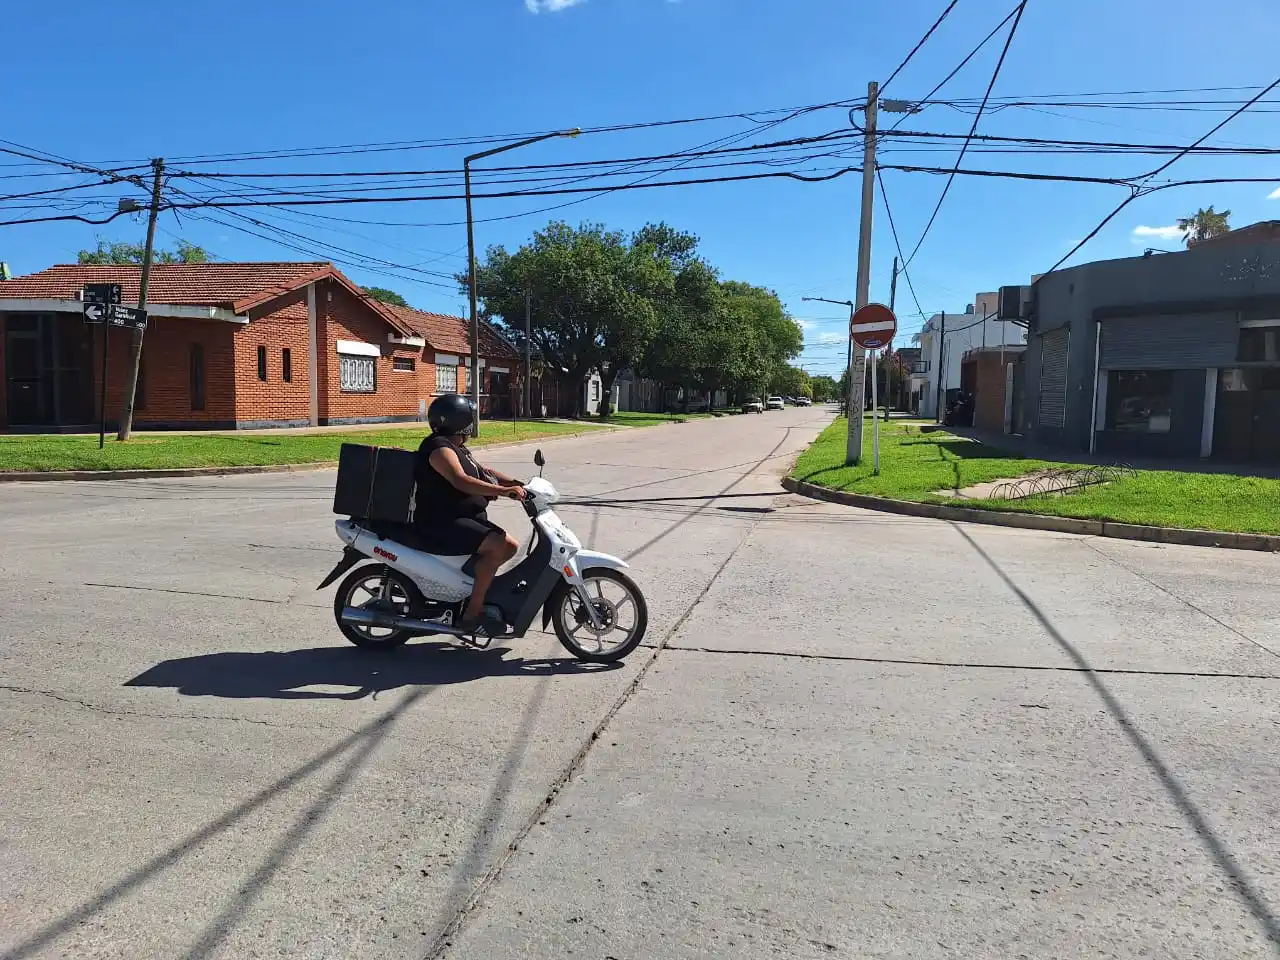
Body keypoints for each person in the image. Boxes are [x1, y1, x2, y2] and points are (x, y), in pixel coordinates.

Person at [413, 394, 526, 634]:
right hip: (442, 521)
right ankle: (472, 613)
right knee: (499, 545)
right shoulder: (438, 448)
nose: (474, 422)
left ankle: (466, 591)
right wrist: (504, 492)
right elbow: (460, 480)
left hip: (463, 518)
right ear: (459, 420)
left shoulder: (457, 446)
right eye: (470, 417)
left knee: (509, 546)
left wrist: (520, 484)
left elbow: (483, 472)